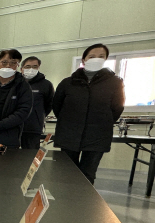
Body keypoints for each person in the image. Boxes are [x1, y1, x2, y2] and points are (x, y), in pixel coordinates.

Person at [52, 43, 125, 184]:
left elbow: (117, 108)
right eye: (92, 56)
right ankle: (66, 202)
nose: (96, 59)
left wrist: (102, 122)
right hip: (69, 134)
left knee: (88, 173)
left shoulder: (115, 83)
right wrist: (69, 122)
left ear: (105, 59)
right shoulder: (68, 83)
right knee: (67, 172)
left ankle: (83, 204)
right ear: (84, 60)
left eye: (101, 56)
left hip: (97, 136)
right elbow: (57, 106)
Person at [20, 56, 54, 149]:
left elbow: (49, 104)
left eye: (34, 67)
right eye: (27, 67)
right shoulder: (16, 83)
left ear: (38, 68)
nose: (31, 69)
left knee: (29, 156)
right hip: (14, 126)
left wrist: (38, 115)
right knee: (10, 156)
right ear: (21, 69)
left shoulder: (46, 84)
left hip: (33, 128)